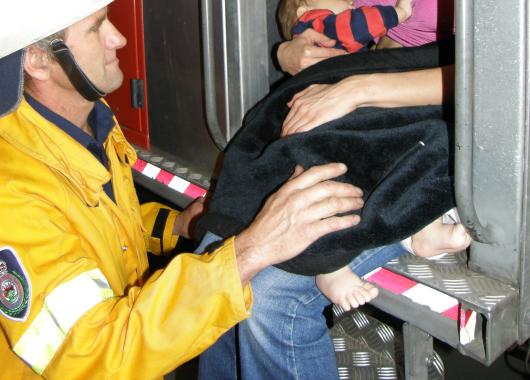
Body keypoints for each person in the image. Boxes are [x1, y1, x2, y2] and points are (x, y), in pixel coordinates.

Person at [0, 1, 367, 378]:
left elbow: (89, 226)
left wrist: (174, 225)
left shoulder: (82, 123)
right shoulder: (11, 193)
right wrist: (250, 251)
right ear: (38, 60)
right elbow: (92, 357)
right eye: (96, 28)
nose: (119, 37)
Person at [198, 18, 469, 380]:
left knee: (271, 297)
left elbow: (496, 79)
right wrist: (292, 43)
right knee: (216, 253)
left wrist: (357, 89)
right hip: (380, 72)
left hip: (441, 88)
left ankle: (359, 241)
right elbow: (304, 9)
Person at [278, 0, 412, 53]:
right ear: (305, 13)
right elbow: (355, 26)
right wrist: (399, 12)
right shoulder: (314, 25)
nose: (349, 1)